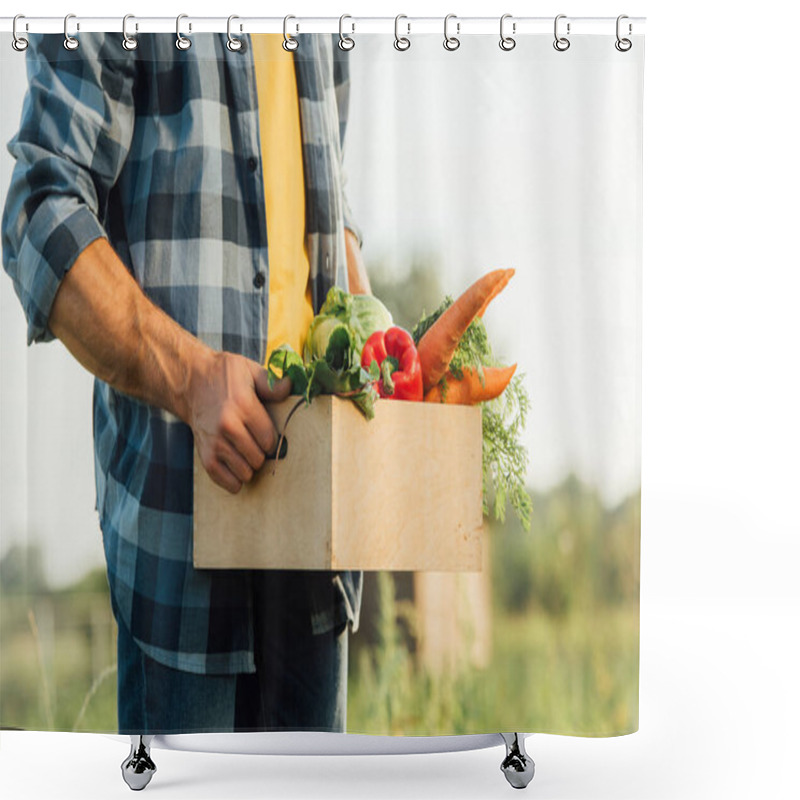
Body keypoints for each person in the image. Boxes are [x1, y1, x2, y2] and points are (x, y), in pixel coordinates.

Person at [2, 31, 368, 734]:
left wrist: (383, 365)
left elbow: (326, 206)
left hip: (318, 539)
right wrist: (195, 381)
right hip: (181, 528)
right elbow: (40, 207)